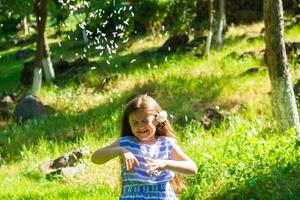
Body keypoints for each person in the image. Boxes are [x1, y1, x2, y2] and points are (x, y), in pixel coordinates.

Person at [91, 94, 197, 199]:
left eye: (145, 121)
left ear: (157, 120)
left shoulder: (166, 144)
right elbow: (95, 158)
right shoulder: (126, 143)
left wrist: (165, 164)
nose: (140, 126)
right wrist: (120, 150)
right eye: (135, 122)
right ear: (129, 124)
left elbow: (192, 168)